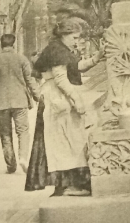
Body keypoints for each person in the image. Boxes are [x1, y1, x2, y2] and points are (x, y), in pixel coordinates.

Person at [32, 18, 102, 197]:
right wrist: (77, 100)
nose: (77, 40)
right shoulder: (56, 50)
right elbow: (61, 79)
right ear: (64, 35)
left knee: (73, 140)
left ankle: (75, 183)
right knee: (62, 142)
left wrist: (97, 57)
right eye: (74, 36)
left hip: (61, 97)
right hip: (56, 99)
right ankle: (65, 186)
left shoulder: (63, 49)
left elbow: (75, 68)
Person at [0, 33, 38, 174]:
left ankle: (10, 164)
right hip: (19, 100)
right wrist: (37, 96)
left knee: (5, 134)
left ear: (1, 45)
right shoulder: (21, 59)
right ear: (13, 44)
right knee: (23, 131)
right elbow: (30, 80)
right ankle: (23, 158)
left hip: (0, 102)